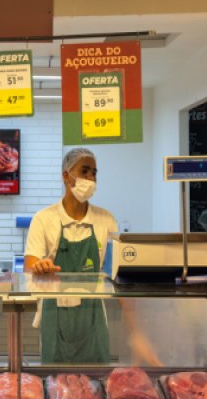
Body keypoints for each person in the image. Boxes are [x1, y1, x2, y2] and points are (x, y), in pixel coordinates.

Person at [25, 147, 159, 365]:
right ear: (66, 176)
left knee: (97, 382)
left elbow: (118, 276)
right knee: (56, 382)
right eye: (84, 171)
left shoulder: (105, 220)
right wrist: (40, 266)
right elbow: (29, 265)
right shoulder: (43, 219)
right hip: (54, 316)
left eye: (94, 173)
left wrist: (136, 333)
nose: (90, 178)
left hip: (93, 316)